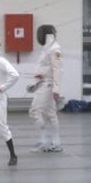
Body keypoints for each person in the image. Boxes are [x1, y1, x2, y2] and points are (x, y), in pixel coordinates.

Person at [29, 24, 64, 153]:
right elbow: (45, 67)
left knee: (34, 112)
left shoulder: (54, 49)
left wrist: (56, 89)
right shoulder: (47, 48)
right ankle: (56, 144)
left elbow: (58, 70)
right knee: (50, 114)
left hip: (48, 86)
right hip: (43, 83)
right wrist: (36, 80)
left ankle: (43, 142)